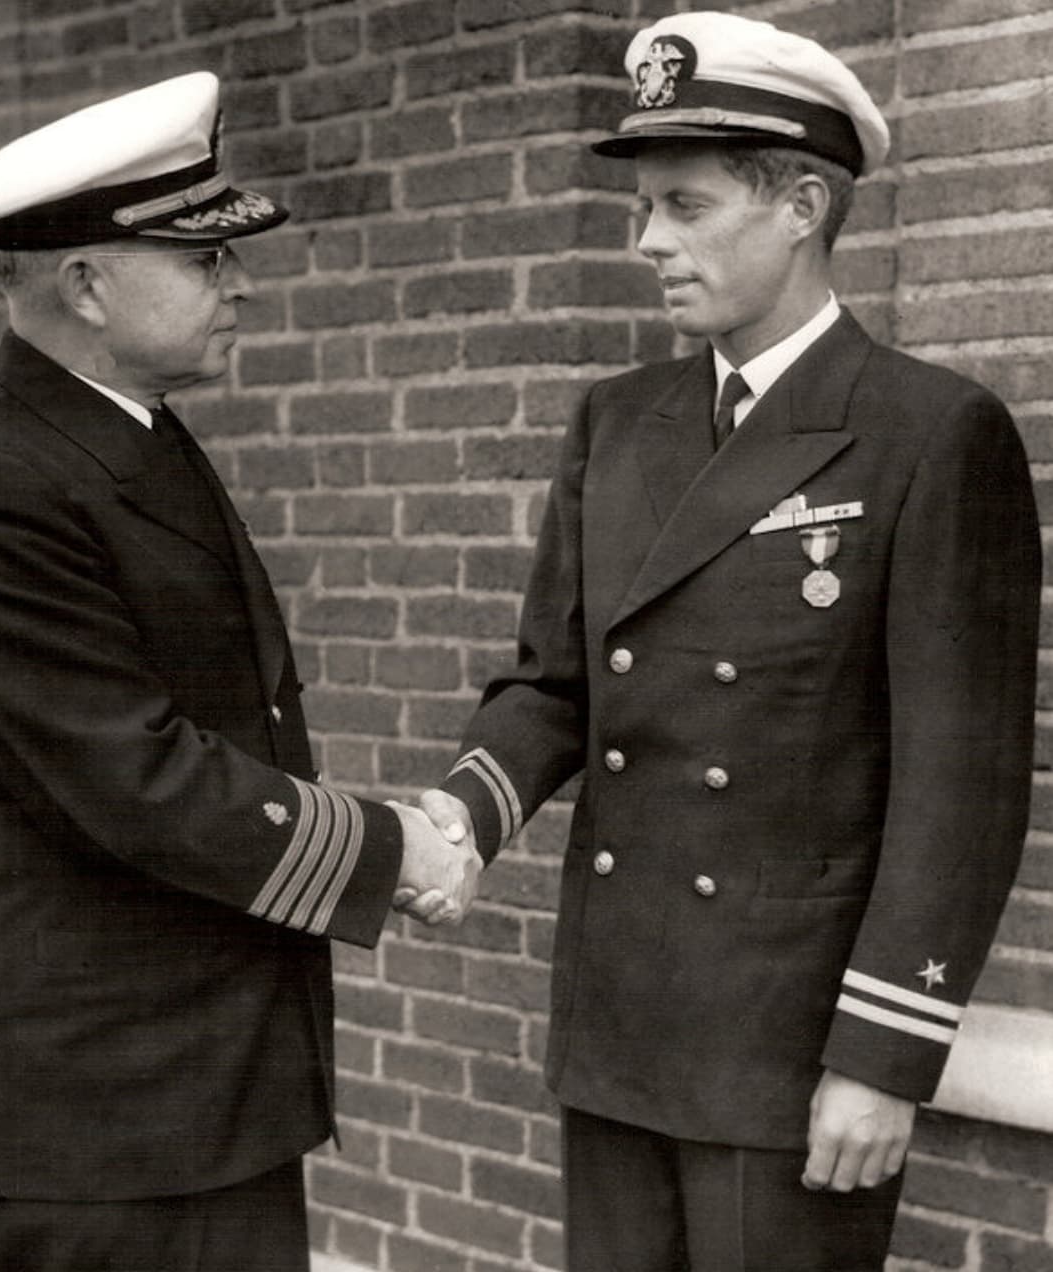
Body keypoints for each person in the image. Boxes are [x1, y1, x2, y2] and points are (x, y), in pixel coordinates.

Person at [414, 12, 1041, 1270]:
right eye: (644, 207)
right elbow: (555, 680)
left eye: (685, 206)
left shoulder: (927, 432)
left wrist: (883, 1055)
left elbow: (957, 784)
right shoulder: (619, 421)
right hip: (619, 1016)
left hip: (786, 1042)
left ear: (802, 204)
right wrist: (463, 817)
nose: (649, 242)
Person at [0, 71, 480, 1272]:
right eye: (205, 262)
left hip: (190, 1090)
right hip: (90, 1116)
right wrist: (388, 847)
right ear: (87, 284)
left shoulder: (120, 428)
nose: (241, 284)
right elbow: (135, 776)